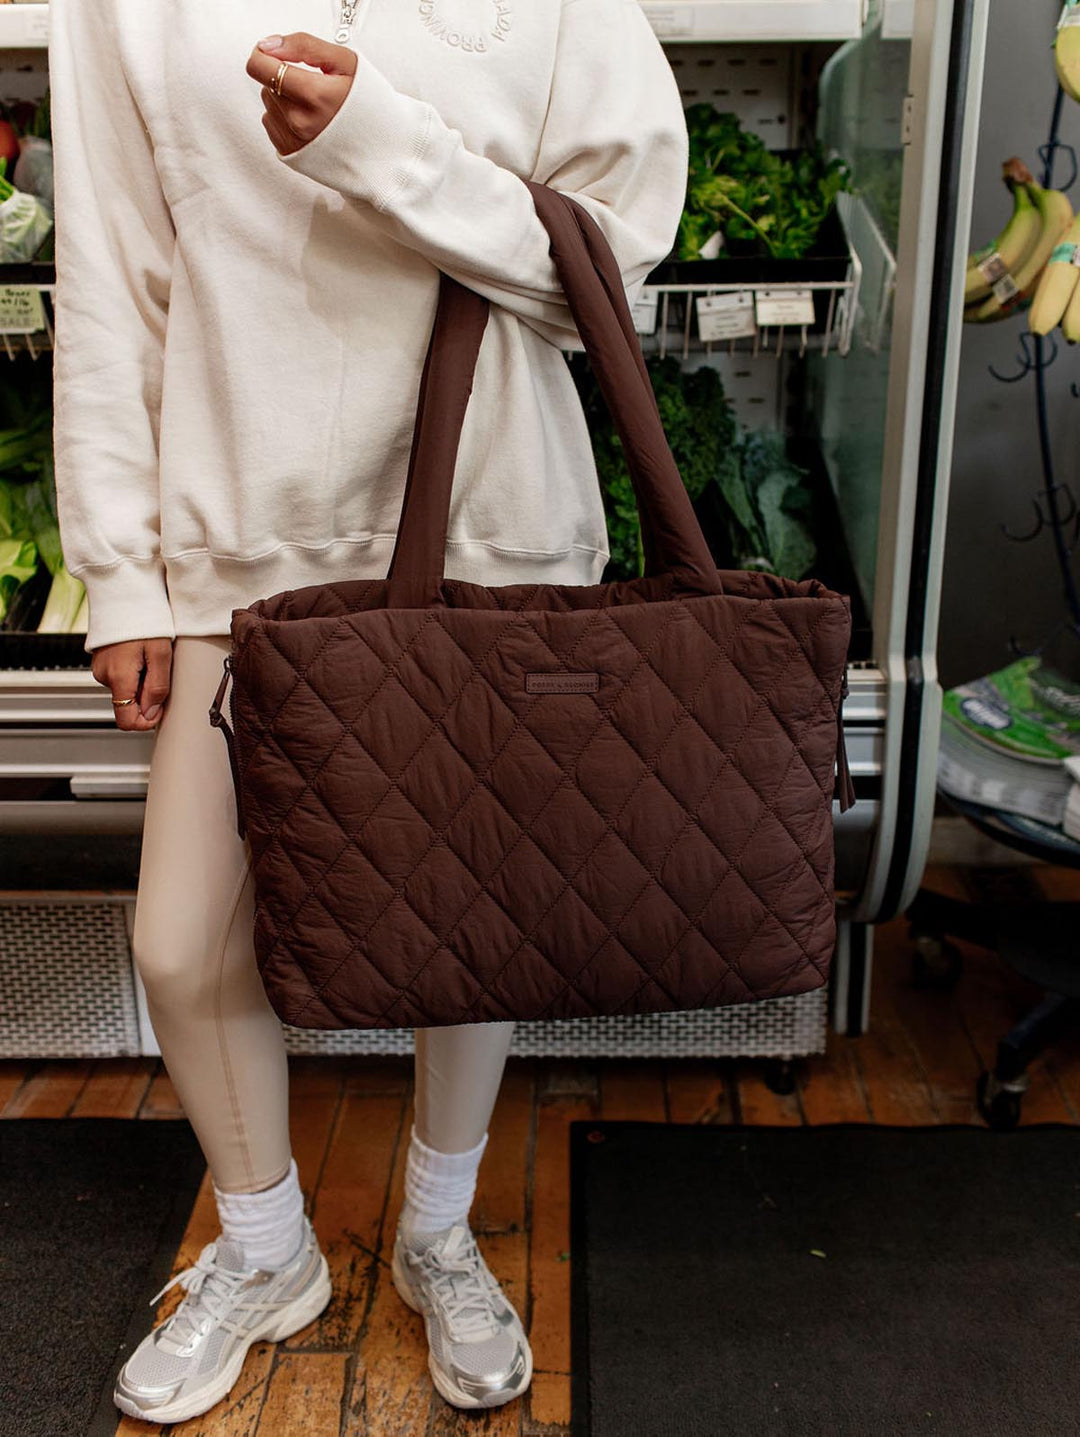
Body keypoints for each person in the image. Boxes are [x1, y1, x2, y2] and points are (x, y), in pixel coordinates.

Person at [48, 0, 688, 1422]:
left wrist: (378, 144)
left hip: (491, 520)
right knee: (178, 938)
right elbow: (111, 273)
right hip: (236, 540)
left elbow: (614, 257)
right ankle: (265, 1246)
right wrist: (122, 573)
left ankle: (437, 1229)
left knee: (475, 930)